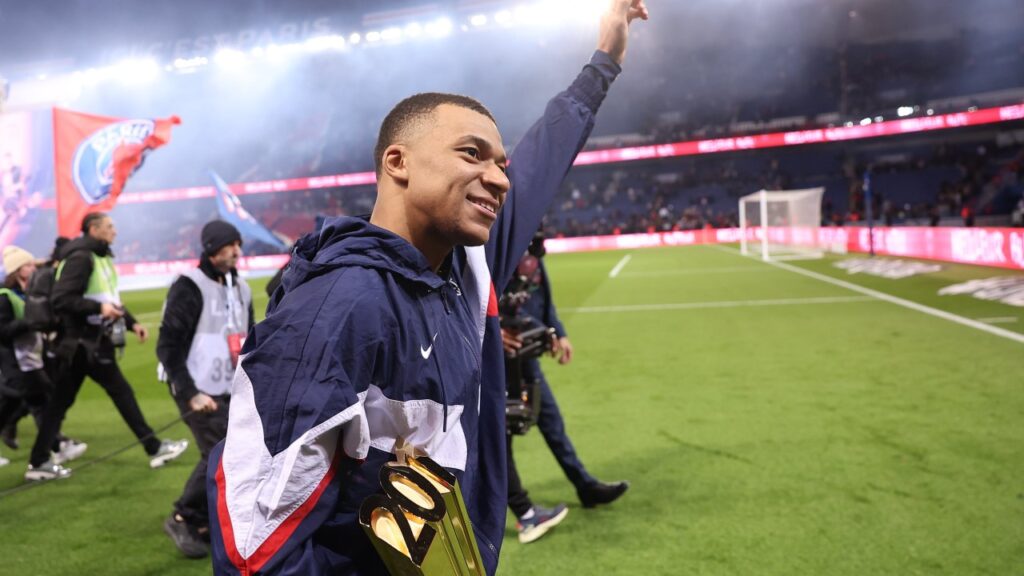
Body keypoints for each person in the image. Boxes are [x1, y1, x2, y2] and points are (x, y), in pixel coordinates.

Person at [208, 2, 649, 574]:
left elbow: (542, 161)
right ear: (398, 162)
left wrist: (605, 59)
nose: (499, 178)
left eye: (500, 164)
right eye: (472, 153)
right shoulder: (336, 309)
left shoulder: (465, 269)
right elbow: (256, 552)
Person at [25, 212, 188, 480]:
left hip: (85, 344)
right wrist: (98, 309)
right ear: (93, 229)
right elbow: (62, 299)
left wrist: (132, 322)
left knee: (60, 403)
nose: (115, 231)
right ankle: (154, 447)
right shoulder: (81, 258)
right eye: (109, 226)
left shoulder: (98, 257)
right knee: (120, 394)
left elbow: (108, 298)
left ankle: (39, 460)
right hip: (84, 343)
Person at [503, 234, 629, 544]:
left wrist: (557, 331)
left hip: (528, 351)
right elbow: (478, 299)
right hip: (500, 357)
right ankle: (522, 513)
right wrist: (497, 330)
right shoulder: (498, 243)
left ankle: (584, 485)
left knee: (551, 421)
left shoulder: (532, 243)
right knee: (501, 435)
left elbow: (544, 296)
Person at [157, 220, 254, 559]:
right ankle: (184, 515)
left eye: (238, 244)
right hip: (195, 387)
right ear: (212, 249)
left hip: (229, 387)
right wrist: (190, 392)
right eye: (230, 245)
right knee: (218, 451)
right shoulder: (189, 285)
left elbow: (250, 339)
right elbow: (168, 346)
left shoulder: (241, 288)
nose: (237, 251)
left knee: (234, 452)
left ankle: (203, 519)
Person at [0, 245, 88, 469]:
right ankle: (53, 450)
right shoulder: (5, 297)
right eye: (28, 265)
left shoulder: (29, 293)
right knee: (43, 403)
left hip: (32, 359)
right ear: (17, 271)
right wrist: (30, 323)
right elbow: (3, 332)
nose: (33, 268)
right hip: (16, 362)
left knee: (20, 405)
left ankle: (53, 448)